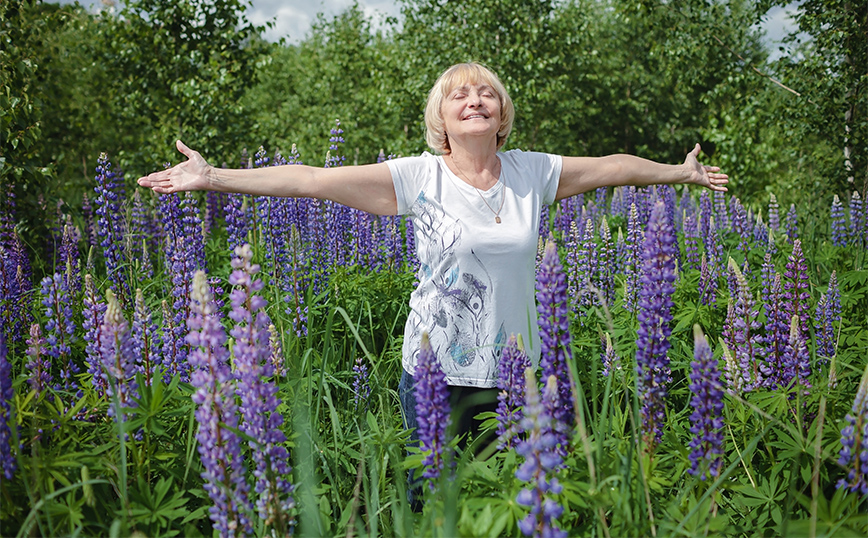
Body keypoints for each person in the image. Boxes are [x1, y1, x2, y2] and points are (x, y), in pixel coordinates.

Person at [138, 61, 727, 451]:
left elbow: (610, 168)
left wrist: (680, 172)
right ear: (440, 120)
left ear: (502, 114)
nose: (476, 99)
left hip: (520, 375)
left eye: (487, 92)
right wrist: (213, 176)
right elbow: (311, 179)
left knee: (522, 503)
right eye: (459, 95)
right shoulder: (418, 177)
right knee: (440, 511)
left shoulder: (530, 172)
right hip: (436, 374)